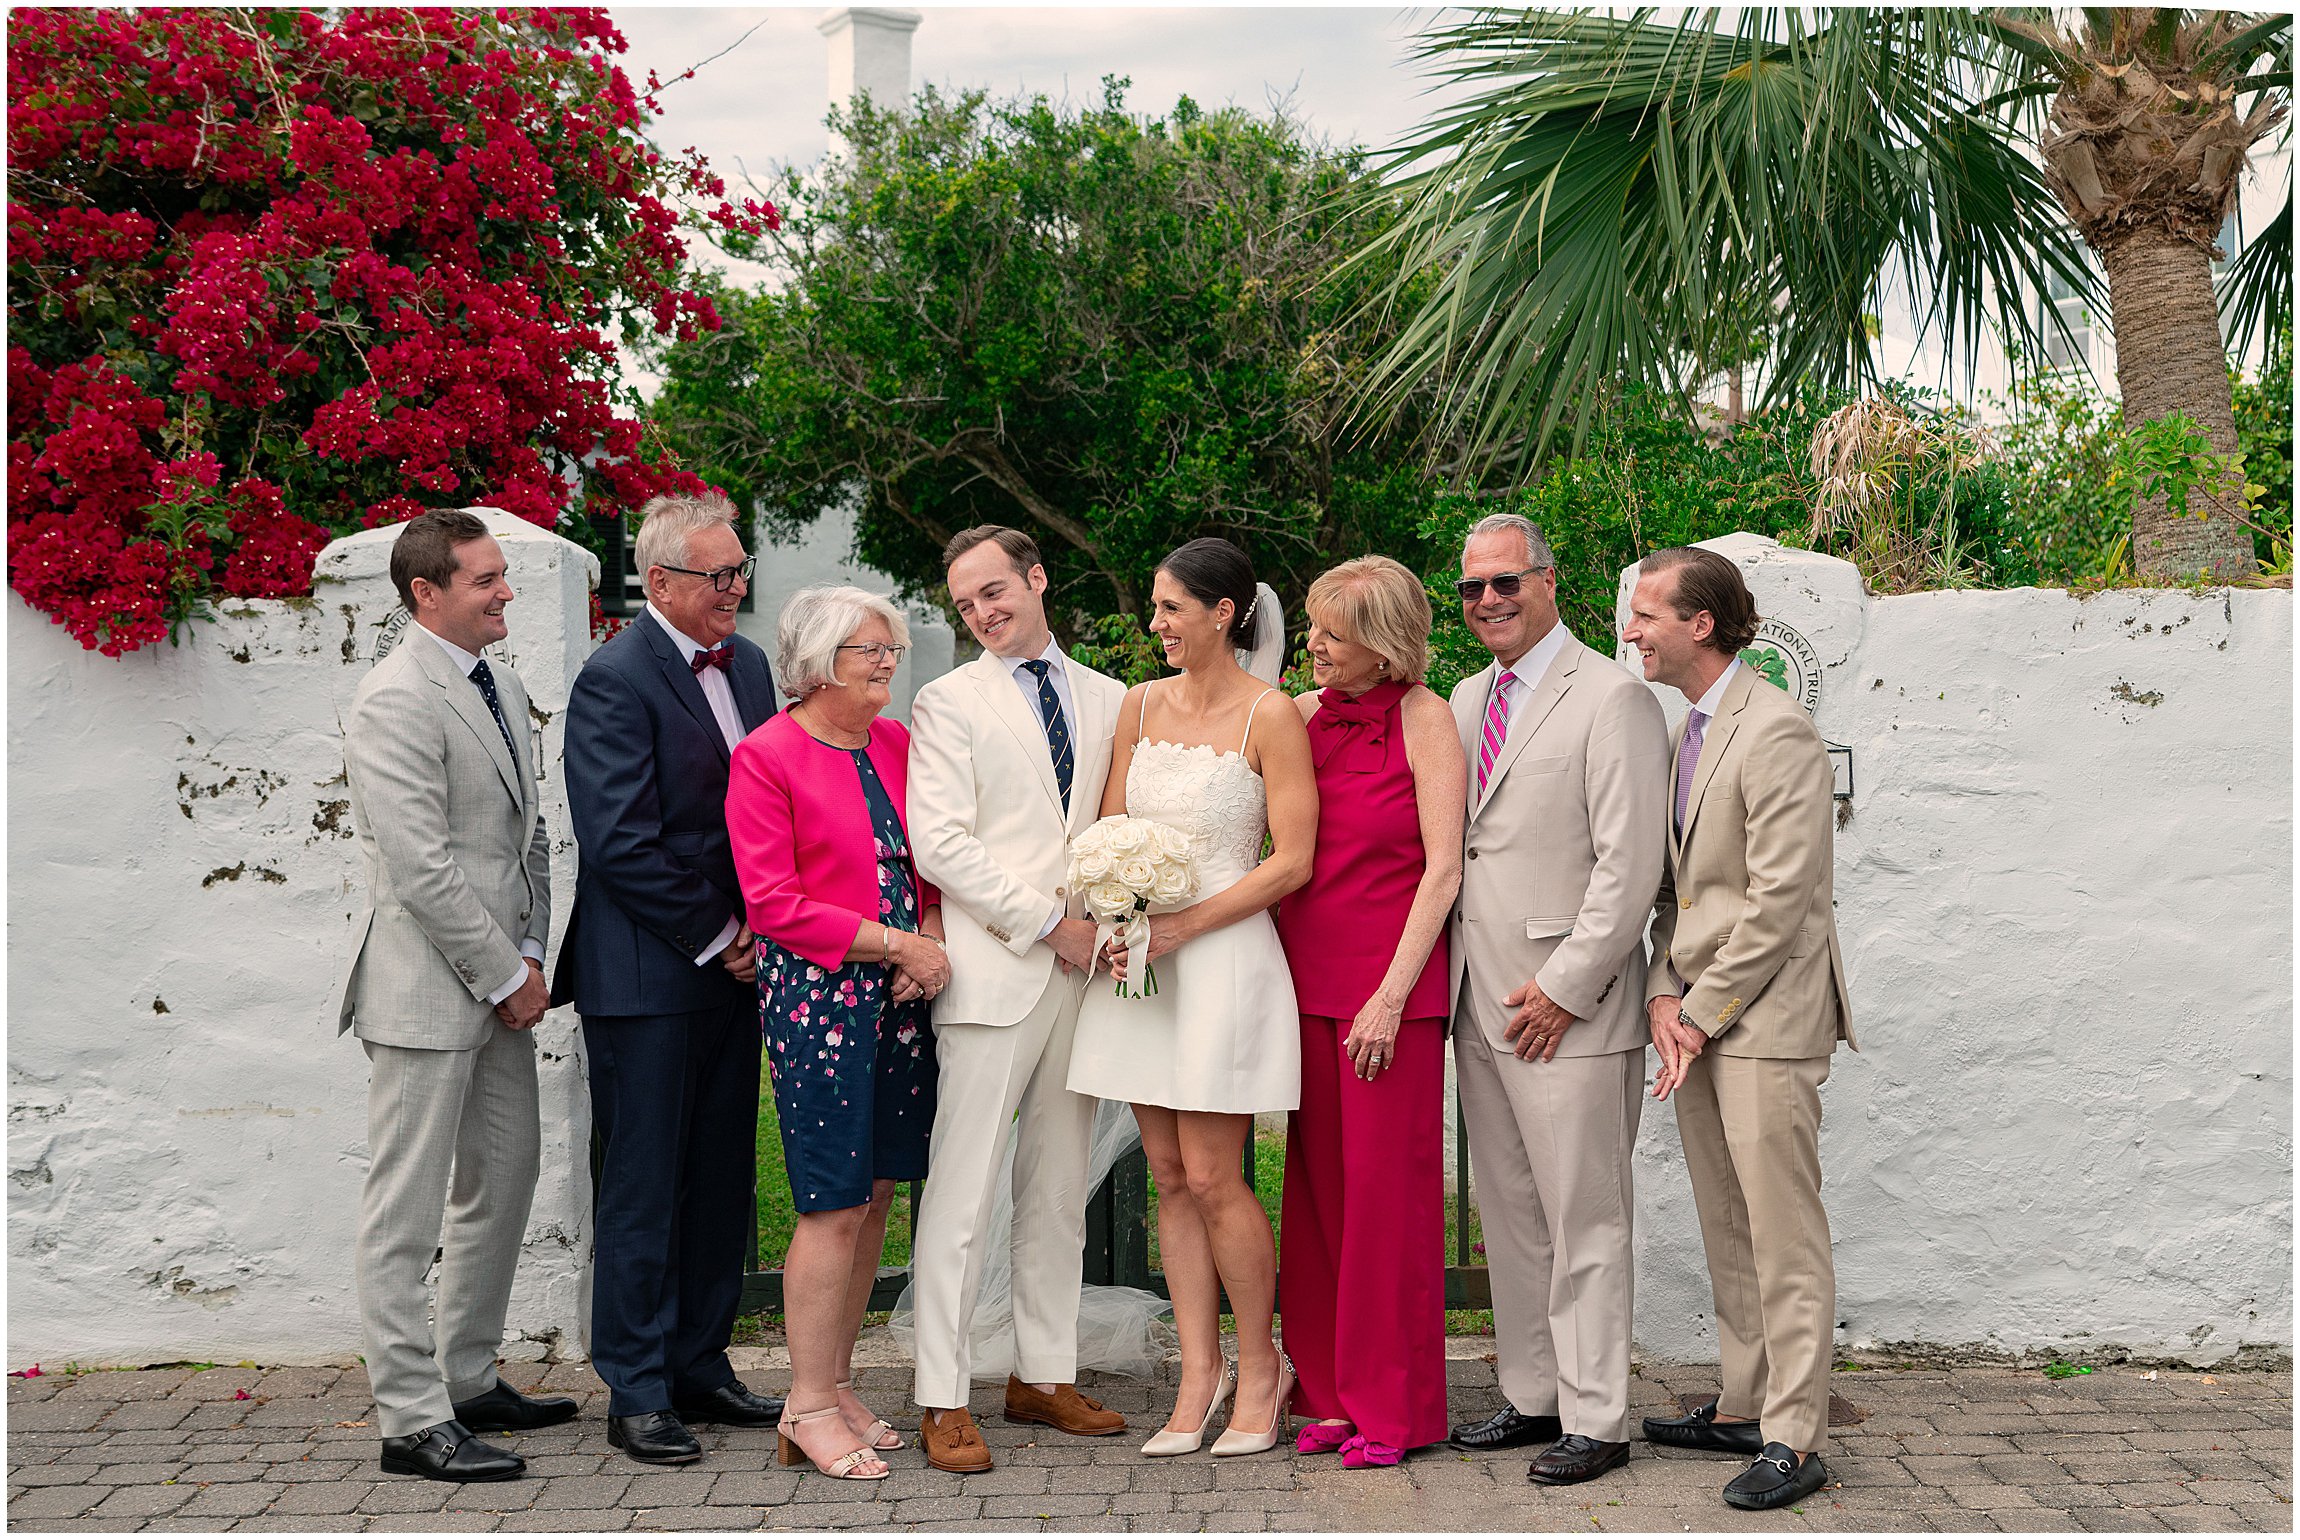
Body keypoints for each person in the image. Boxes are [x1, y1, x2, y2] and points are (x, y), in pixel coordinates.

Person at [336, 509, 575, 1483]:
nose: (504, 590)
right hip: (425, 994)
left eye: (502, 575)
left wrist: (530, 949)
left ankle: (466, 1376)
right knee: (404, 1211)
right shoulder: (392, 698)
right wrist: (507, 973)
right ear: (425, 592)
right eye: (483, 579)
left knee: (505, 1178)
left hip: (499, 983)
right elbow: (422, 866)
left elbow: (527, 837)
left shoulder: (502, 683)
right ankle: (407, 1417)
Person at [1067, 537, 1317, 1460]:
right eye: (1155, 606)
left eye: (1172, 607)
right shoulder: (1137, 706)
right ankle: (1196, 1374)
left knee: (1215, 1177)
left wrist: (1188, 922)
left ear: (1225, 612)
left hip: (1219, 959)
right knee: (1167, 1177)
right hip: (1141, 961)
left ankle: (1264, 1370)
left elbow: (1292, 859)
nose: (1156, 624)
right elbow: (1109, 828)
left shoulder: (1272, 716)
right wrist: (1122, 903)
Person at [1623, 546, 1857, 1513]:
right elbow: (1682, 891)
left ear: (1701, 625)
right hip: (1702, 1013)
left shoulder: (1778, 730)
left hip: (1766, 1018)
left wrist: (1700, 1015)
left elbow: (1780, 904)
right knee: (1727, 1221)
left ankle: (1796, 1440)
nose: (1630, 630)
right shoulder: (1690, 727)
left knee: (1782, 1230)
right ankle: (1743, 1405)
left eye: (1645, 614)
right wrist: (1661, 996)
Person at [553, 494, 784, 1466]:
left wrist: (764, 927)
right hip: (650, 975)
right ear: (659, 584)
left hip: (741, 971)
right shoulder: (613, 679)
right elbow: (620, 840)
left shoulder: (755, 666)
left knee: (720, 1177)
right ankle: (636, 1387)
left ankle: (700, 1361)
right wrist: (719, 932)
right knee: (644, 1183)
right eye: (718, 575)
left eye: (739, 571)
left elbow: (769, 802)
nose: (736, 589)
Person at [1443, 513, 1670, 1488]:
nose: (1488, 600)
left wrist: (1565, 988)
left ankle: (1598, 1416)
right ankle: (1535, 1395)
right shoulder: (1460, 699)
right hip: (1476, 1003)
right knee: (1509, 1213)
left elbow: (1629, 867)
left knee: (1585, 1217)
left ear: (1547, 581)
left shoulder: (1611, 696)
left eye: (1506, 582)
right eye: (1471, 589)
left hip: (1567, 1010)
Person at [904, 527, 1130, 1472]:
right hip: (1001, 970)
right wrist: (1048, 925)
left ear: (1037, 580)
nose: (984, 613)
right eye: (966, 604)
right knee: (961, 1193)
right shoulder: (945, 702)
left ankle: (1043, 1373)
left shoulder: (1113, 698)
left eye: (995, 591)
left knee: (1056, 1187)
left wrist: (1108, 923)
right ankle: (941, 1394)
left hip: (1086, 980)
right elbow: (941, 845)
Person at [727, 584, 948, 1483]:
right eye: (869, 650)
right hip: (822, 999)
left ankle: (838, 1380)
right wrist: (899, 941)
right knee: (831, 1201)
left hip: (901, 994)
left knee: (880, 1187)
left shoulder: (894, 743)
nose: (888, 662)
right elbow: (774, 903)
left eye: (889, 647)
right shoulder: (766, 757)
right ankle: (806, 1401)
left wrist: (926, 936)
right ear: (818, 663)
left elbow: (931, 855)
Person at [1275, 556, 1464, 1470]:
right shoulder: (1301, 718)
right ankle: (1332, 1393)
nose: (1313, 644)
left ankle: (1399, 1408)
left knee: (1387, 1204)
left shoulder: (1429, 720)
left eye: (1332, 632)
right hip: (1303, 984)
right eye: (1313, 627)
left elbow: (1444, 868)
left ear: (1384, 642)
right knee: (1317, 1198)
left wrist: (1390, 996)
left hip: (1392, 994)